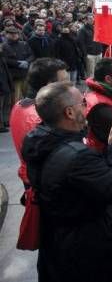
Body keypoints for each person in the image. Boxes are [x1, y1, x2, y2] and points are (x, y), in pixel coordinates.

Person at [22, 81, 112, 282]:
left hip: (57, 248)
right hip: (85, 256)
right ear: (70, 113)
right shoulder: (77, 157)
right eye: (82, 102)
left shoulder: (38, 141)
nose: (86, 105)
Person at [10, 58, 68, 192]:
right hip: (43, 183)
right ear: (49, 85)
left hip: (30, 176)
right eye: (65, 81)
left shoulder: (19, 105)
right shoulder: (42, 116)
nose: (70, 85)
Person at [3, 25, 34, 103]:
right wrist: (17, 63)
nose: (14, 35)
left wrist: (27, 61)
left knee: (29, 98)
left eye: (15, 33)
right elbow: (5, 60)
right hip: (14, 77)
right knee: (16, 100)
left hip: (25, 75)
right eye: (11, 33)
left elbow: (31, 55)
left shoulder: (24, 44)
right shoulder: (4, 46)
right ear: (6, 34)